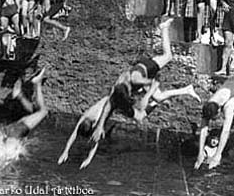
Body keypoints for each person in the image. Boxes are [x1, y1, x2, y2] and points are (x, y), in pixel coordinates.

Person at [75, 18, 200, 168]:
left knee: (168, 57)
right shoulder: (114, 98)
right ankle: (187, 90)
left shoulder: (135, 82)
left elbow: (156, 81)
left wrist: (146, 97)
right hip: (140, 73)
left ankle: (163, 28)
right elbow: (103, 118)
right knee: (158, 98)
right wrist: (92, 150)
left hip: (145, 70)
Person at [3, 67, 49, 140]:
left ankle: (37, 84)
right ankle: (35, 85)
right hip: (10, 129)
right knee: (39, 112)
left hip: (14, 131)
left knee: (43, 112)